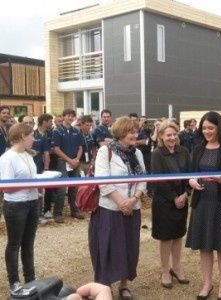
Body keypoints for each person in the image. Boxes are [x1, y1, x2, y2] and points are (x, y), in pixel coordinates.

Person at [186, 111, 221, 300]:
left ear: (219, 128)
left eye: (210, 127)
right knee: (205, 246)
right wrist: (192, 181)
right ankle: (207, 283)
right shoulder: (198, 148)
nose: (207, 131)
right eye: (204, 128)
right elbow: (191, 174)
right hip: (202, 202)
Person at [89, 116, 146, 300]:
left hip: (132, 208)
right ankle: (104, 287)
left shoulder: (137, 153)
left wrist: (133, 199)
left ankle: (124, 285)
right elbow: (103, 182)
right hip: (110, 210)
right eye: (131, 131)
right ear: (121, 133)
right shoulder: (106, 151)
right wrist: (122, 202)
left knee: (129, 247)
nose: (134, 134)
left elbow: (143, 179)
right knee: (107, 247)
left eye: (136, 131)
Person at [151, 120, 191, 289]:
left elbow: (191, 174)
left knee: (178, 235)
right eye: (168, 135)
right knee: (166, 237)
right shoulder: (157, 154)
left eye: (174, 134)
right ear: (161, 136)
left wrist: (185, 193)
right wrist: (174, 197)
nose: (172, 137)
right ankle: (165, 270)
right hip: (164, 202)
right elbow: (158, 181)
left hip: (182, 199)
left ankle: (177, 267)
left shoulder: (184, 151)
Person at [0, 123, 39, 293]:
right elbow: (6, 187)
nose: (34, 138)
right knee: (14, 244)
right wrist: (30, 183)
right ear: (23, 136)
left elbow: (30, 177)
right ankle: (14, 281)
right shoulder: (7, 158)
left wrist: (38, 181)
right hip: (16, 205)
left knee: (29, 243)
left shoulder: (27, 155)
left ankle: (30, 279)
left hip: (32, 202)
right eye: (31, 135)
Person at [52, 108, 85, 223]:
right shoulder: (57, 131)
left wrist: (76, 159)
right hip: (62, 162)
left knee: (75, 187)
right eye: (68, 116)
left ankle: (75, 210)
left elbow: (80, 147)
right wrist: (69, 160)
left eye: (72, 116)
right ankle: (57, 213)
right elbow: (56, 149)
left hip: (75, 162)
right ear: (63, 117)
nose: (70, 118)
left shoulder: (76, 130)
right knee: (62, 188)